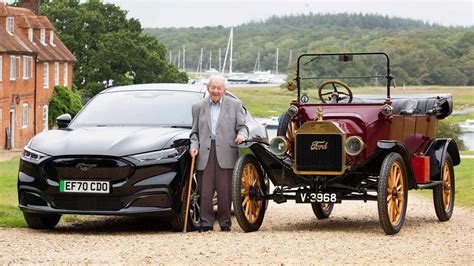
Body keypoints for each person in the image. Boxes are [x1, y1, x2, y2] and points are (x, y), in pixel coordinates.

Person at [189, 75, 248, 232]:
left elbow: (243, 127)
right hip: (204, 153)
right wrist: (194, 145)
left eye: (219, 88)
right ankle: (206, 223)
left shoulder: (235, 105)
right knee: (205, 191)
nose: (215, 91)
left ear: (224, 90)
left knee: (225, 190)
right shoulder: (198, 107)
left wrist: (242, 135)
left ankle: (225, 223)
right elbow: (194, 133)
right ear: (208, 88)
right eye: (212, 87)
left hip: (227, 152)